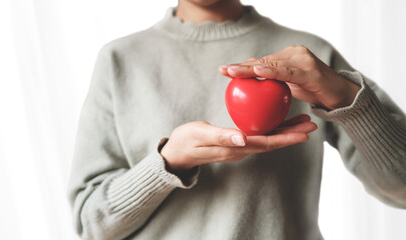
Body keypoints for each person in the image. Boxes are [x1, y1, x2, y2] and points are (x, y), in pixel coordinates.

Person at [67, 0, 406, 239]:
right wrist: (169, 162)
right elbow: (91, 224)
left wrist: (349, 99)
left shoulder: (309, 59)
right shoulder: (119, 61)